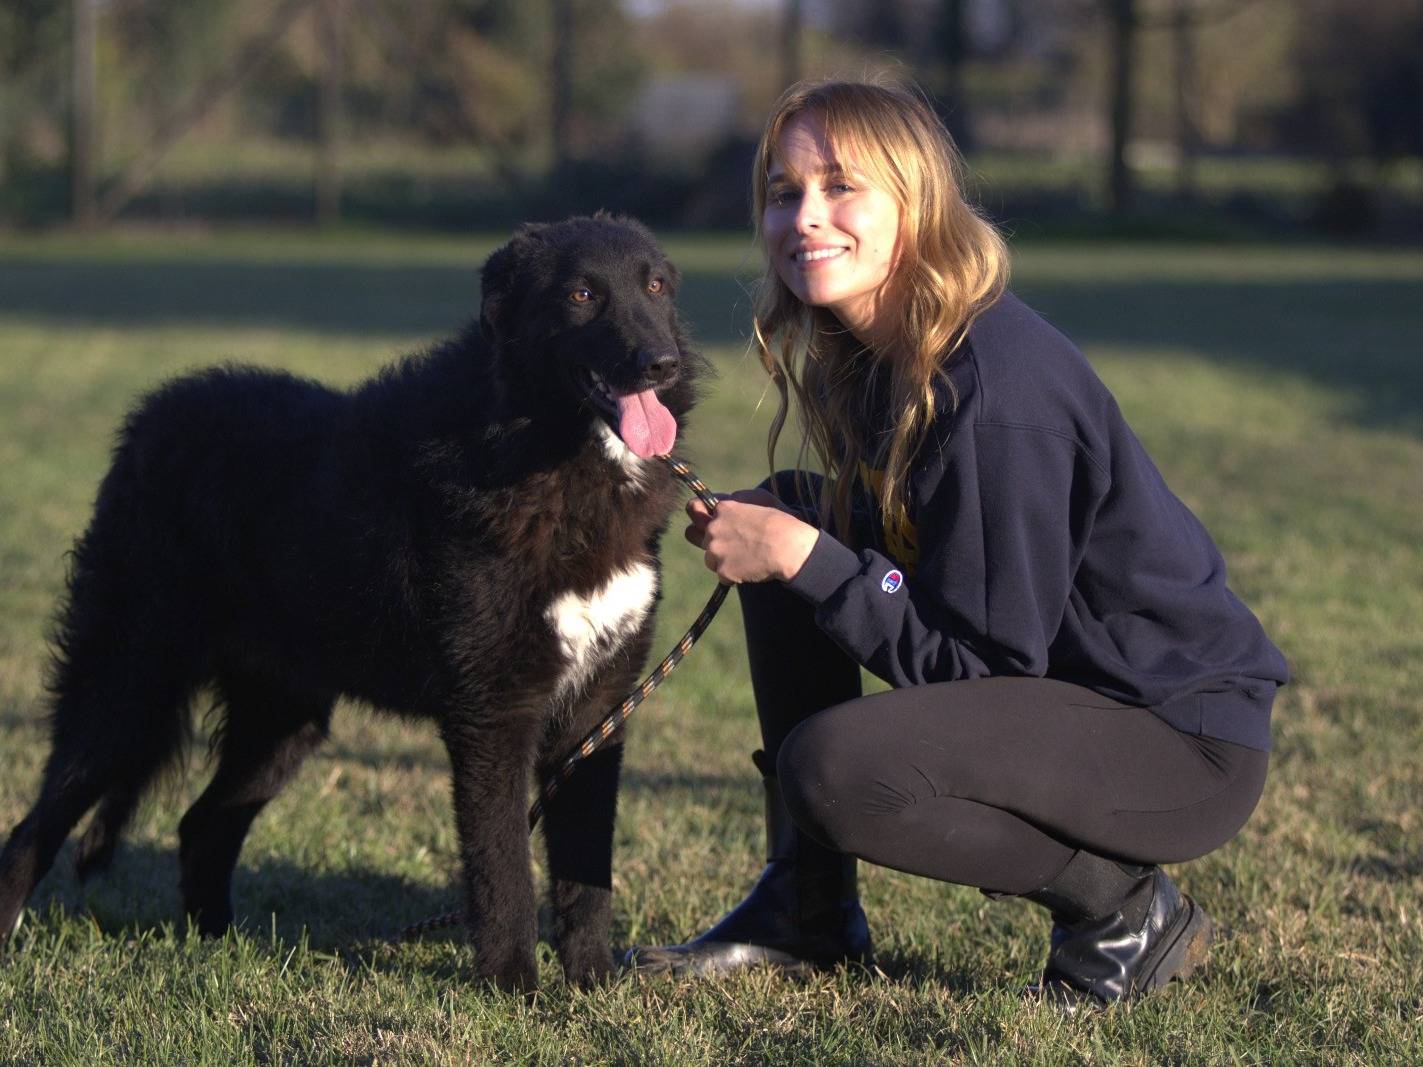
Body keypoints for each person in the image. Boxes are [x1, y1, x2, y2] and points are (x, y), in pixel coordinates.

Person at [623, 80, 1288, 1007]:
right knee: (790, 509)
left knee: (833, 767)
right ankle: (807, 912)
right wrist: (799, 544)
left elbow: (981, 664)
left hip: (1173, 738)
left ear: (916, 204)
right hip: (1062, 699)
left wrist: (807, 560)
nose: (804, 215)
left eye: (840, 186)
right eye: (783, 192)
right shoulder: (876, 350)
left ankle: (1122, 911)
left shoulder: (994, 391)